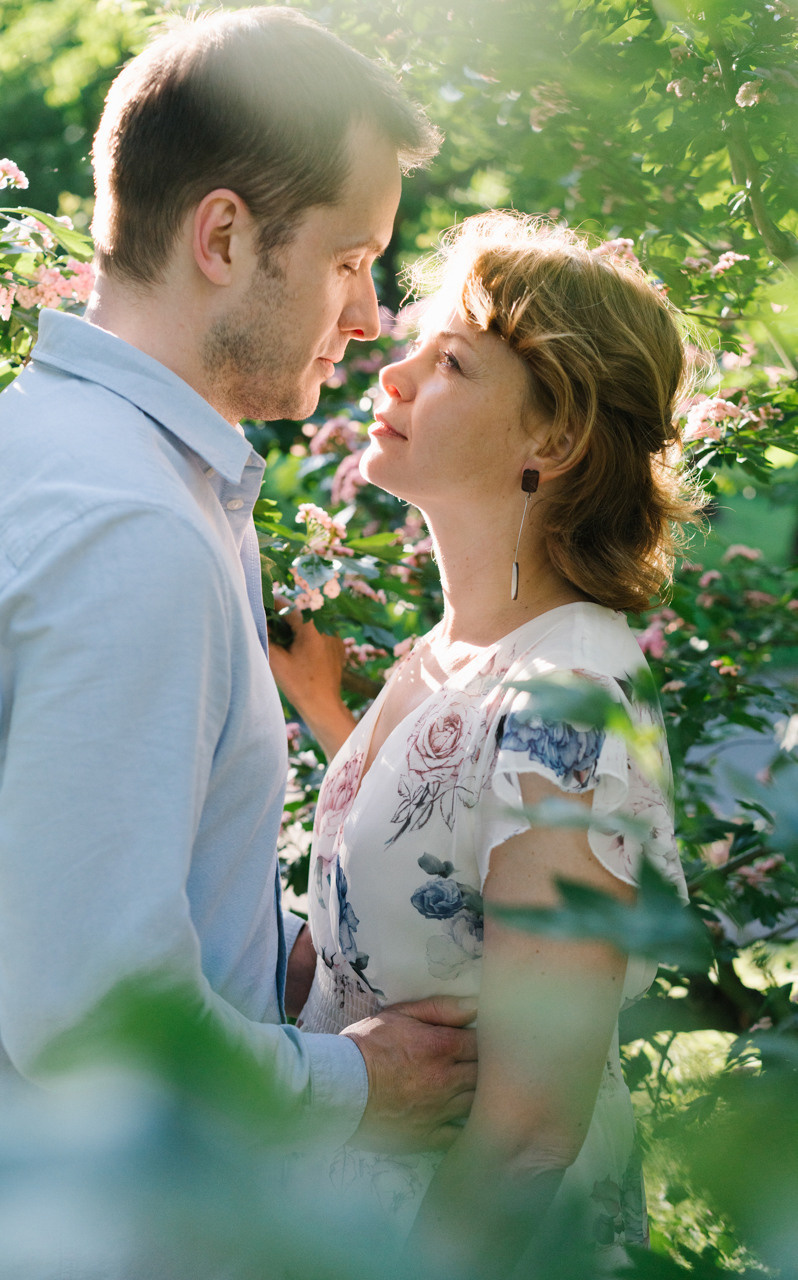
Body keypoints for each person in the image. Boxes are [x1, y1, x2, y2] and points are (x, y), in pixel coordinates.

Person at [0, 6, 478, 1162]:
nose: (367, 315)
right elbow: (95, 1020)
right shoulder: (122, 527)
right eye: (348, 260)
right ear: (224, 237)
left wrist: (278, 942)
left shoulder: (78, 451)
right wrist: (355, 1083)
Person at [270, 211, 699, 1267]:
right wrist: (333, 717)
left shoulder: (564, 698)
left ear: (551, 440)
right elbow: (436, 880)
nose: (394, 371)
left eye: (450, 360)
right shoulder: (447, 657)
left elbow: (528, 1133)